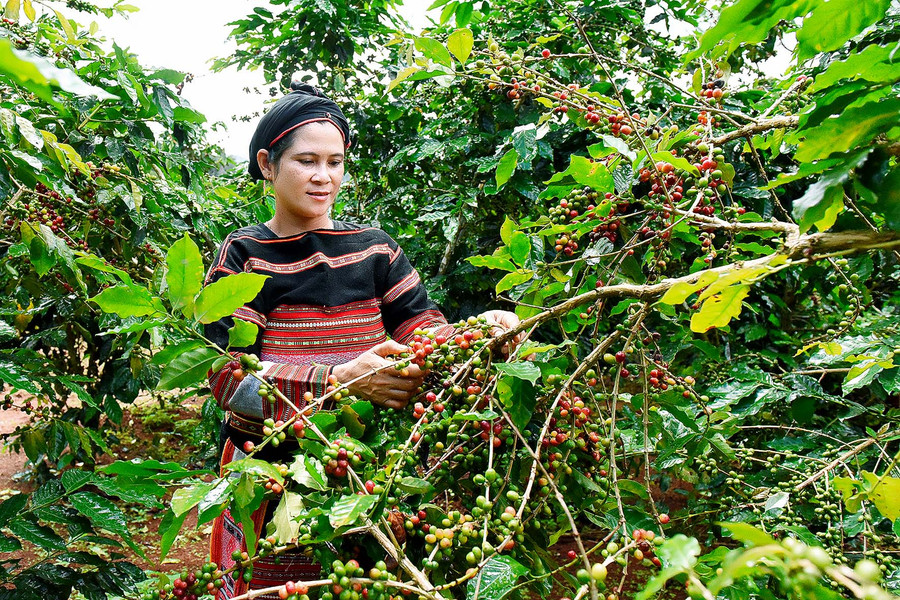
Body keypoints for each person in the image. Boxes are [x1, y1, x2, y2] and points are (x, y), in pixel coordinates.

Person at [204, 83, 521, 599]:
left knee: (368, 585)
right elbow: (225, 376)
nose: (323, 177)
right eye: (306, 161)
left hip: (373, 472)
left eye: (335, 161)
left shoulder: (374, 250)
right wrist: (338, 382)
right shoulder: (245, 254)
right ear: (267, 164)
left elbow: (423, 330)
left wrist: (479, 333)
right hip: (272, 476)